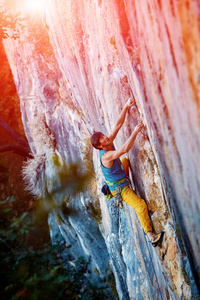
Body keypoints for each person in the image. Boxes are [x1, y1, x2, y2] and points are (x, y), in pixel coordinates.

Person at [90, 98, 164, 247]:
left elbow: (118, 125)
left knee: (124, 161)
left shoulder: (107, 142)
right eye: (103, 138)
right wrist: (135, 132)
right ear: (100, 145)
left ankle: (127, 182)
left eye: (104, 135)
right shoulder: (106, 156)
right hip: (121, 189)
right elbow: (124, 149)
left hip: (119, 178)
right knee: (140, 206)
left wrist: (125, 106)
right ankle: (151, 237)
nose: (107, 137)